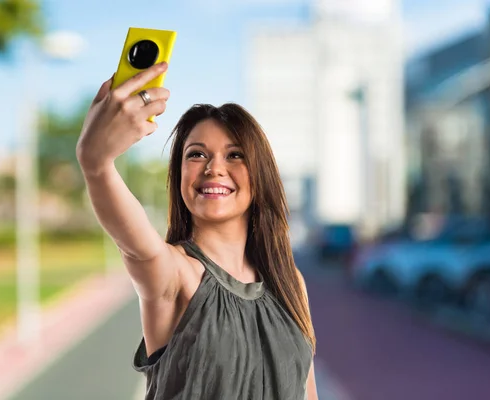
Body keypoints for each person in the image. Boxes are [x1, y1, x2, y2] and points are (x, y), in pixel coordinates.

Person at [76, 62, 319, 400]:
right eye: (196, 154)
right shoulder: (174, 274)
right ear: (179, 178)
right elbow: (136, 244)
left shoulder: (290, 282)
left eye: (234, 155)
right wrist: (95, 162)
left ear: (259, 174)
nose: (214, 168)